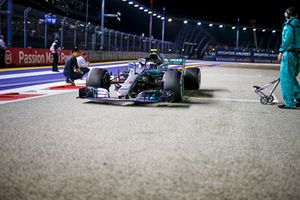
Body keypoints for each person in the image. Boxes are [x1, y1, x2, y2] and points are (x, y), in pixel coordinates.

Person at [277, 7, 300, 109]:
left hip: (290, 54)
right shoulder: (298, 25)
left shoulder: (289, 25)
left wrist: (281, 51)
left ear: (287, 15)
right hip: (298, 55)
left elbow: (288, 39)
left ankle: (289, 103)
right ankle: (299, 97)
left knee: (286, 78)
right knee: (292, 78)